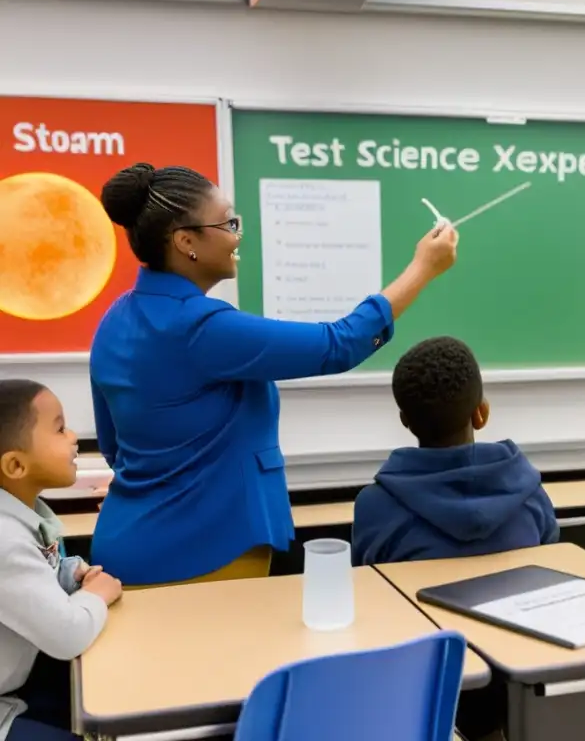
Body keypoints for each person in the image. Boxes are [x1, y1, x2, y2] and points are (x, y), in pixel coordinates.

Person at [89, 163, 459, 587]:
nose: (236, 235)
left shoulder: (115, 319)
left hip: (125, 546)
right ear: (186, 241)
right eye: (228, 223)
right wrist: (423, 269)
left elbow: (114, 445)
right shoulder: (199, 327)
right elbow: (338, 344)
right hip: (200, 552)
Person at [352, 336, 558, 566]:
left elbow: (366, 584)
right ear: (482, 413)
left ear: (405, 420)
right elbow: (548, 559)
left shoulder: (375, 507)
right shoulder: (530, 493)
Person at [0, 380, 123, 741]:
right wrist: (97, 593)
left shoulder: (20, 516)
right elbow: (68, 635)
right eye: (59, 428)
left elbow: (28, 578)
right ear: (16, 465)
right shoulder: (4, 539)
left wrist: (70, 573)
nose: (73, 437)